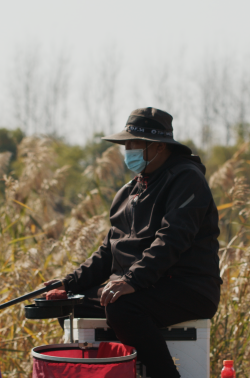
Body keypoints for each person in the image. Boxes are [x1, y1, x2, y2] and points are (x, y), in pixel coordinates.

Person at [44, 107, 221, 378]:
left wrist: (132, 281)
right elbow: (109, 251)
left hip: (188, 287)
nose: (127, 150)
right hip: (145, 286)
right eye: (125, 144)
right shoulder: (130, 190)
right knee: (69, 303)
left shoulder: (187, 179)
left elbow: (172, 238)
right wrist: (68, 283)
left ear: (159, 146)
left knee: (122, 305)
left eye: (133, 144)